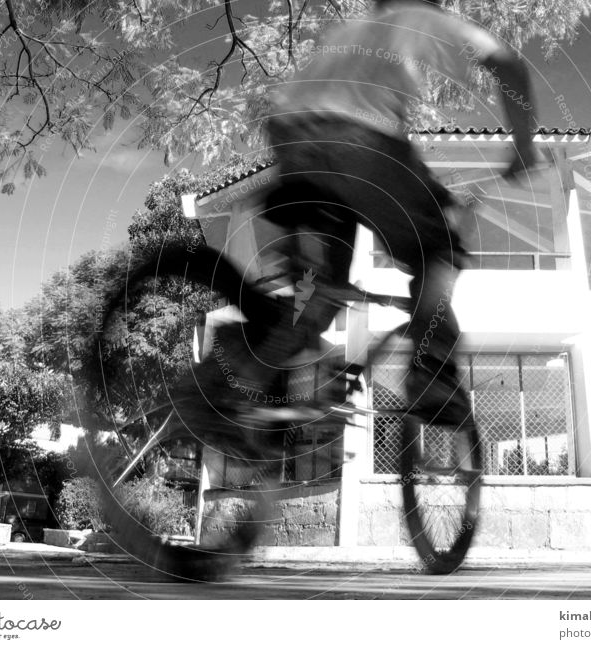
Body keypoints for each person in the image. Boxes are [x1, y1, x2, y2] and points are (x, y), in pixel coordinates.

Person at [176, 0, 541, 443]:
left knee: (321, 289)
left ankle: (238, 384)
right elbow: (508, 64)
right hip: (357, 140)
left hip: (291, 142)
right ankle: (433, 378)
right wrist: (523, 148)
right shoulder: (422, 18)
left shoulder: (349, 31)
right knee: (439, 248)